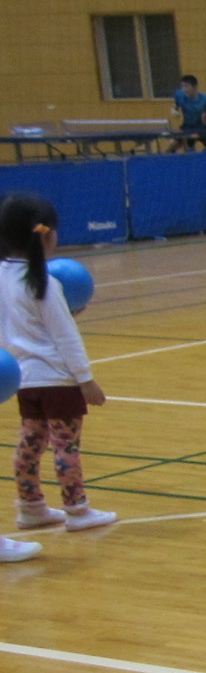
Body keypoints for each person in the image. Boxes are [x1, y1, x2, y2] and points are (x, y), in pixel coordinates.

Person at [0, 193, 114, 540]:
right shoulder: (46, 283)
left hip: (23, 378)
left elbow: (18, 321)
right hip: (58, 380)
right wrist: (86, 380)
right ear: (47, 236)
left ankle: (30, 507)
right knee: (66, 446)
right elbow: (66, 340)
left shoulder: (3, 275)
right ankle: (77, 509)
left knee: (30, 443)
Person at [171, 75, 206, 151]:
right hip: (188, 128)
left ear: (195, 87)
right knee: (170, 149)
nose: (184, 89)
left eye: (187, 86)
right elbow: (175, 107)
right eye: (182, 86)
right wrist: (174, 112)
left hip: (204, 128)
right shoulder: (179, 95)